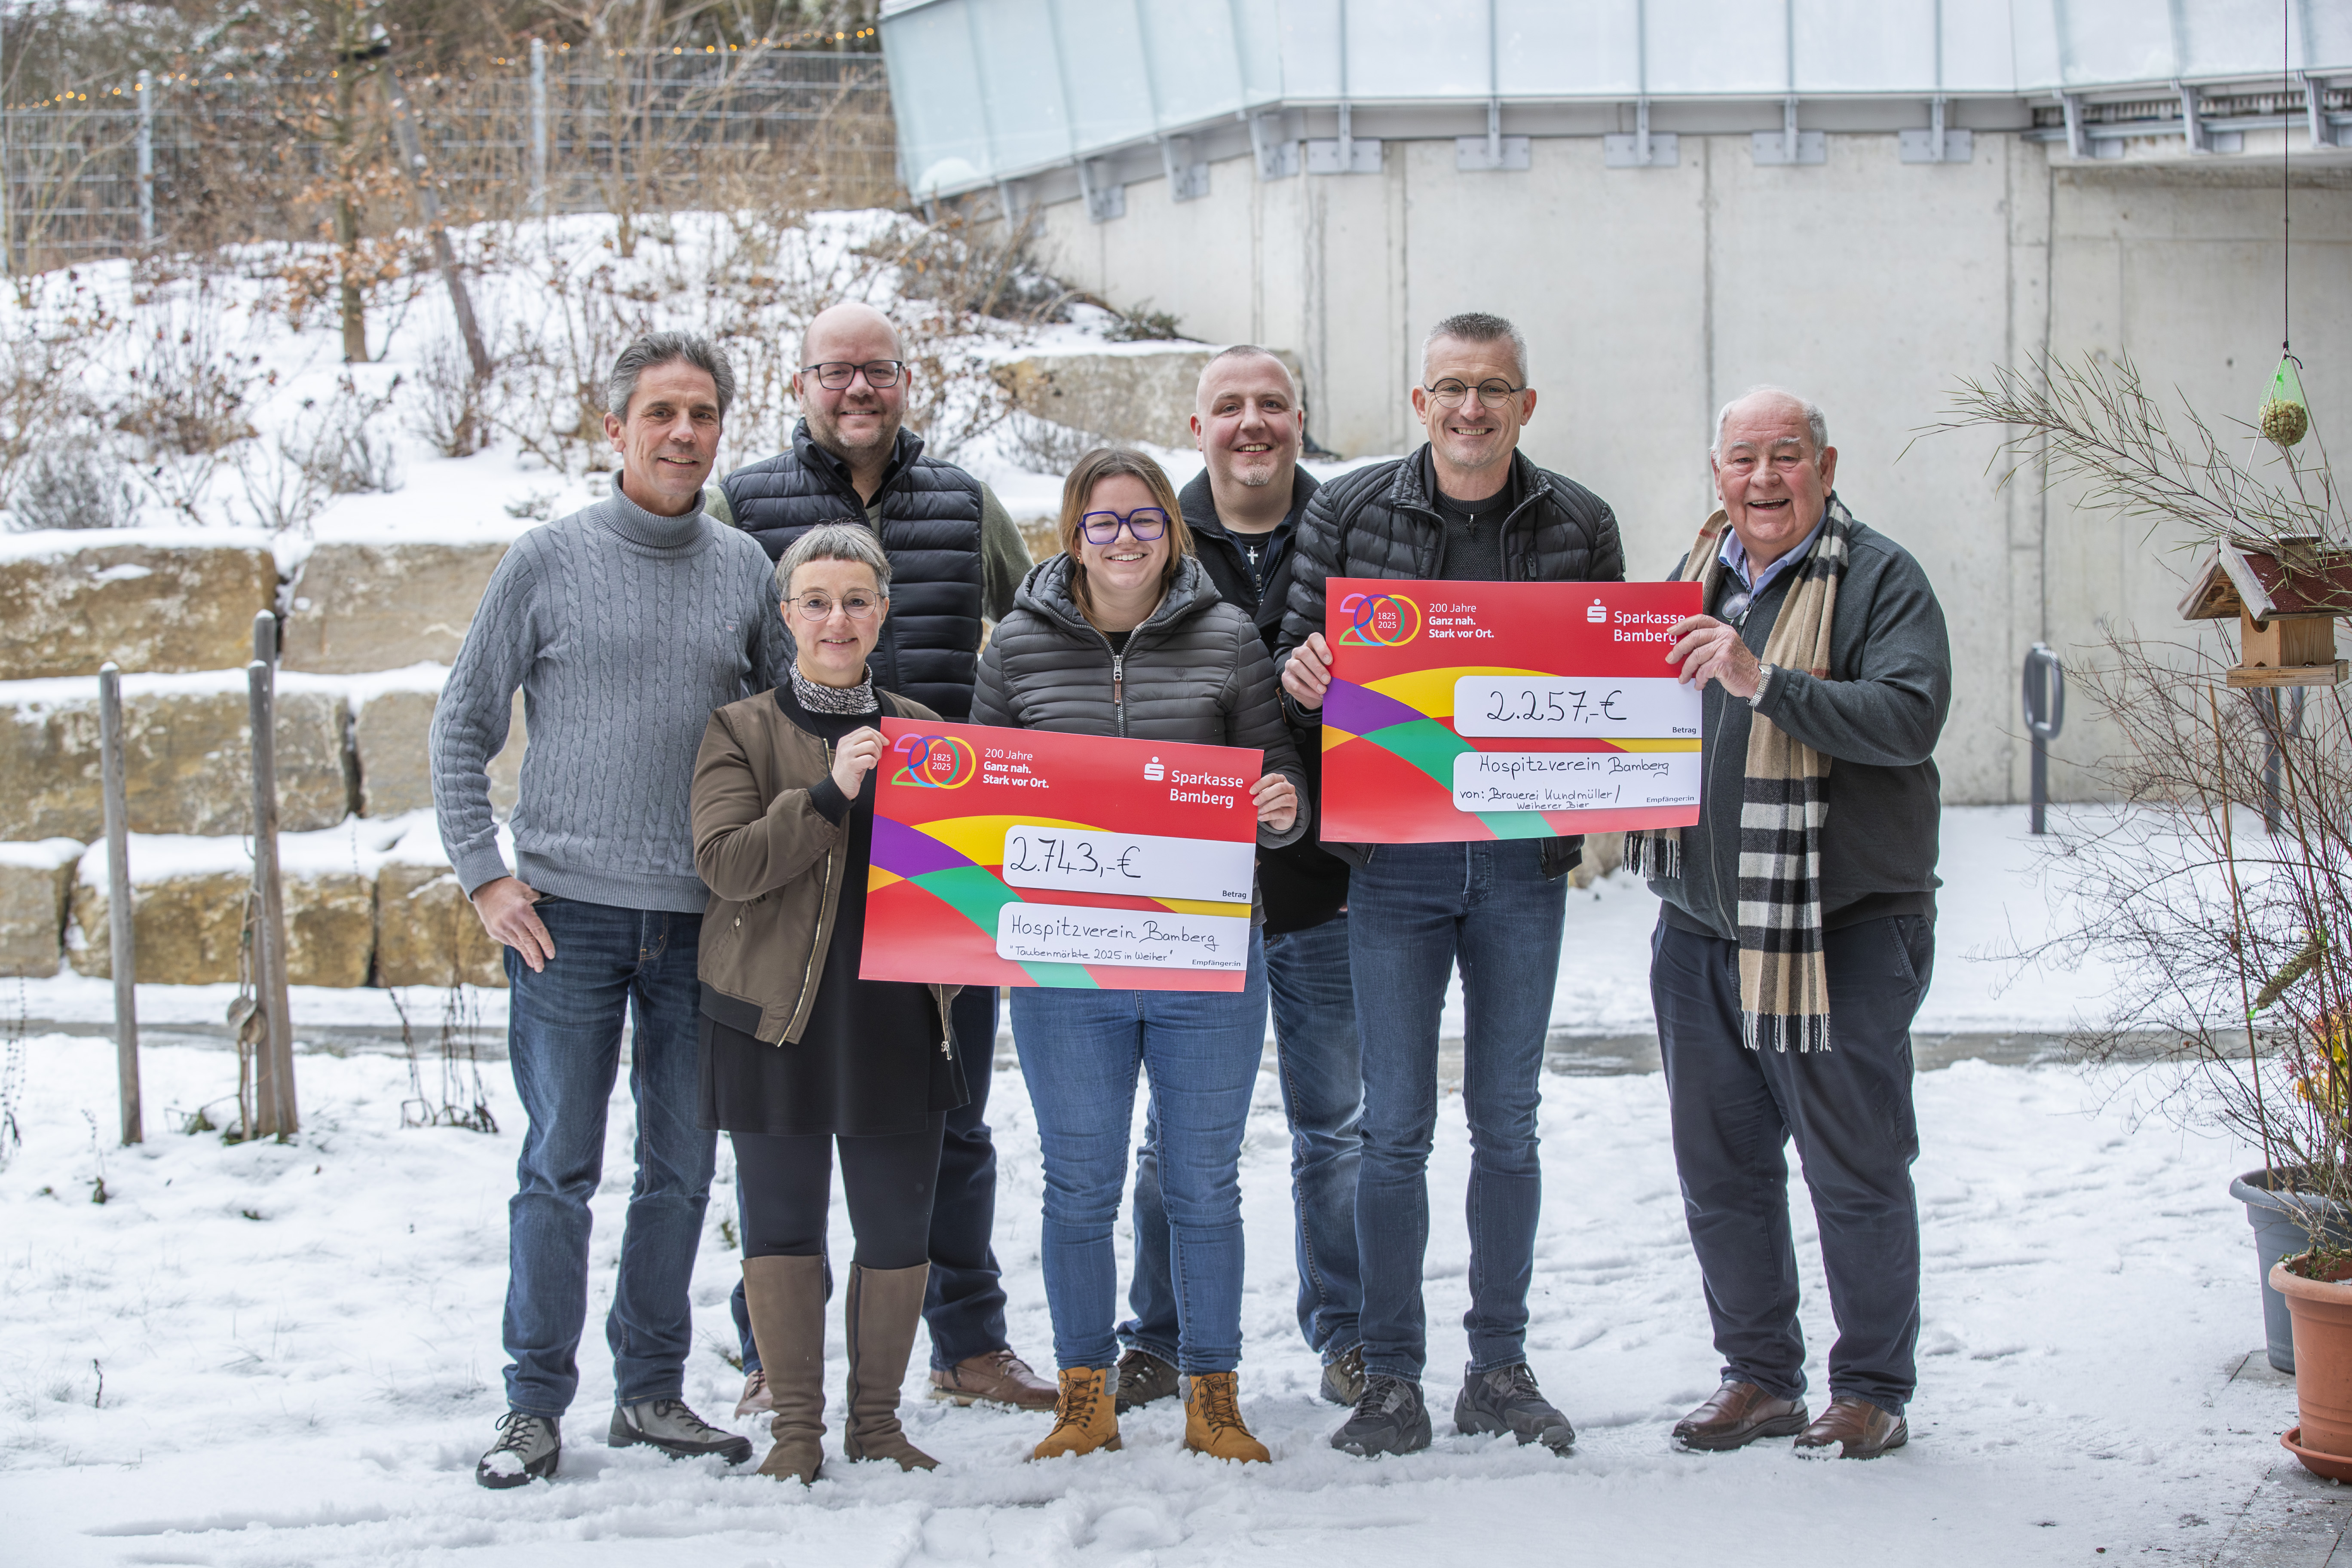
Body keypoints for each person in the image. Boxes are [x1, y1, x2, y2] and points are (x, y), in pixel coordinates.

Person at [435, 331, 784, 1488]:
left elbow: (785, 726)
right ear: (616, 429)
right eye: (661, 412)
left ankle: (650, 1394)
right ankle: (533, 1407)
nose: (684, 433)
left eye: (703, 414)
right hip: (565, 920)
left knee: (681, 1171)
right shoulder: (545, 560)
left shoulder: (746, 569)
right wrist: (484, 873)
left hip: (702, 922)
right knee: (559, 1168)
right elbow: (463, 723)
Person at [1277, 311, 1624, 1459]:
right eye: (1452, 388)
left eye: (1494, 387)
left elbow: (1608, 688)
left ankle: (1499, 1367)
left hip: (1523, 866)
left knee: (1509, 1122)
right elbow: (1291, 660)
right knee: (1394, 1130)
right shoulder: (1349, 511)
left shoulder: (1580, 522)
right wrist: (1305, 672)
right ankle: (1392, 1377)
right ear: (1420, 402)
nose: (1472, 408)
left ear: (1528, 403)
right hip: (1393, 864)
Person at [712, 301, 1050, 1415]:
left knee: (951, 1110)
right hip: (798, 847)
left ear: (908, 379)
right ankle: (774, 1358)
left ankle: (969, 1341)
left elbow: (1040, 631)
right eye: (836, 371)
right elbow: (717, 660)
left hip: (943, 852)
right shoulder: (744, 504)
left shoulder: (964, 503)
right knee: (785, 1117)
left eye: (879, 370)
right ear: (799, 383)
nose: (858, 389)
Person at [973, 447, 1309, 1464]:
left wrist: (1281, 809)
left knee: (1203, 1183)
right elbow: (979, 809)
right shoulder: (1017, 648)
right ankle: (1087, 1396)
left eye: (1145, 520)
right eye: (1103, 522)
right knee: (1080, 1184)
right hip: (1067, 970)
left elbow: (1281, 788)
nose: (1125, 540)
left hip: (1205, 959)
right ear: (1073, 535)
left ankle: (1214, 1395)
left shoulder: (1229, 637)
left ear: (1173, 528)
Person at [1637, 387, 1950, 1461]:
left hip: (1840, 933)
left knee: (1854, 1169)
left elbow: (1909, 718)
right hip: (1700, 930)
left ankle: (1871, 1389)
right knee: (1721, 1172)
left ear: (1827, 465)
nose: (1763, 479)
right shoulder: (1690, 580)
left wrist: (1761, 679)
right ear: (1716, 472)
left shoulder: (1879, 579)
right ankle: (1759, 1376)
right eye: (1743, 459)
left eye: (1786, 456)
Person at [1113, 346, 1366, 1419]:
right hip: (1183, 892)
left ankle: (1350, 1335)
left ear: (1302, 419)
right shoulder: (1145, 541)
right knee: (1173, 1137)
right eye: (1229, 406)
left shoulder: (1353, 532)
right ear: (1197, 425)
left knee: (1337, 1129)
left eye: (1272, 404)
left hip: (1325, 884)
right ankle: (1157, 1337)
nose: (1251, 422)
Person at [690, 523, 968, 1483]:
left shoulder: (925, 730)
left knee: (896, 1231)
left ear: (884, 612)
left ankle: (877, 1425)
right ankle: (797, 1432)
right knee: (782, 1229)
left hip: (895, 1016)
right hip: (772, 1021)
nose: (836, 619)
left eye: (856, 600)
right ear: (786, 616)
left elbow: (968, 875)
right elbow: (726, 865)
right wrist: (827, 793)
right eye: (816, 601)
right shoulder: (738, 728)